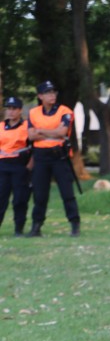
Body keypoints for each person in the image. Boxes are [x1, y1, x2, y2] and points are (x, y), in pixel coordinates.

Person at [27, 80, 80, 237]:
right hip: (40, 156)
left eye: (53, 92)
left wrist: (41, 130)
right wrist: (52, 131)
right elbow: (31, 136)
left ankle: (74, 225)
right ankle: (36, 227)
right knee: (39, 194)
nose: (52, 95)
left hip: (59, 156)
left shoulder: (64, 111)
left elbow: (62, 132)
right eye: (48, 93)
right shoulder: (33, 112)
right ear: (40, 96)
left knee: (67, 193)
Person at [0, 96, 32, 236]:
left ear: (20, 110)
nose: (11, 111)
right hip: (2, 166)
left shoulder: (27, 127)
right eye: (9, 108)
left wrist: (29, 166)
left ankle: (19, 229)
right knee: (1, 198)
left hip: (20, 166)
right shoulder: (1, 126)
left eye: (14, 109)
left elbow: (34, 147)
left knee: (20, 199)